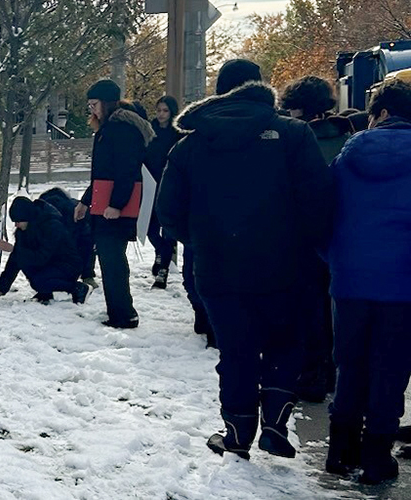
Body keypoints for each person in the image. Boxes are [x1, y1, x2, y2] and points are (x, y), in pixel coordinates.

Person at [156, 59, 333, 460]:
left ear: (220, 92)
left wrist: (204, 240)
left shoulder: (190, 145)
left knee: (236, 350)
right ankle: (275, 424)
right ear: (260, 87)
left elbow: (168, 213)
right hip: (286, 265)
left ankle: (237, 433)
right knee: (286, 342)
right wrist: (303, 244)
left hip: (218, 268)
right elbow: (318, 200)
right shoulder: (293, 135)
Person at [323, 79, 411, 484]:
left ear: (381, 114)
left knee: (350, 363)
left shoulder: (347, 156)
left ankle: (340, 451)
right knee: (391, 369)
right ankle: (376, 459)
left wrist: (335, 258)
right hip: (404, 285)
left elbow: (323, 213)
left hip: (350, 280)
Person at [279, 75, 352, 403]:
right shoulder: (348, 136)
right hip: (341, 235)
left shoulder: (296, 140)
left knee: (307, 309)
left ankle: (311, 375)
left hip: (301, 237)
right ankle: (333, 371)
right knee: (331, 305)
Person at [75, 79, 153, 329]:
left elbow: (126, 170)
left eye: (94, 104)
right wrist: (85, 201)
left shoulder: (121, 129)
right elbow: (101, 173)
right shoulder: (109, 128)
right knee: (110, 260)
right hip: (104, 203)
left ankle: (124, 314)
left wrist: (117, 204)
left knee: (113, 260)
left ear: (107, 102)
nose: (92, 110)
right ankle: (118, 311)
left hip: (114, 207)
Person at [0, 196, 91, 304]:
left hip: (68, 264)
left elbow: (41, 257)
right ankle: (45, 292)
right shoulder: (23, 231)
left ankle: (77, 288)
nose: (16, 225)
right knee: (24, 261)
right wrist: (1, 289)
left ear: (27, 217)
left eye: (18, 221)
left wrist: (14, 249)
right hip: (50, 264)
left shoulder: (51, 226)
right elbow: (15, 261)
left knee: (38, 281)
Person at [145, 96, 182, 290]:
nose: (161, 114)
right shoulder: (149, 130)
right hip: (150, 185)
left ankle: (163, 272)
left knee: (168, 231)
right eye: (158, 110)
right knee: (150, 229)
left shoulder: (177, 134)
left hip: (170, 187)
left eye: (165, 110)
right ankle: (161, 252)